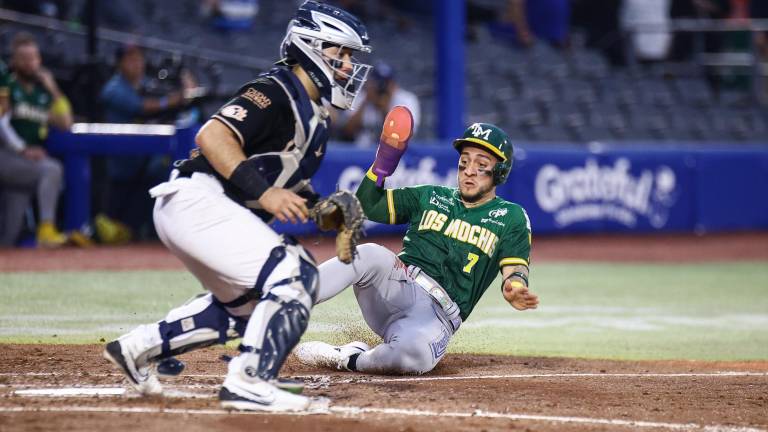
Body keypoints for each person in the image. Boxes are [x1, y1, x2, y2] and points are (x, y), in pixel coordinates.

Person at [102, 0, 372, 411]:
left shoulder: (315, 120)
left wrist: (325, 212)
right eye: (342, 54)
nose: (349, 66)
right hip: (195, 200)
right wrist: (266, 195)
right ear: (314, 47)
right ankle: (250, 380)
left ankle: (139, 347)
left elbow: (289, 188)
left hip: (203, 209)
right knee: (296, 272)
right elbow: (211, 137)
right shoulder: (275, 90)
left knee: (249, 310)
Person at [295, 114, 539, 375]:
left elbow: (514, 270)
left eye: (481, 164)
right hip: (399, 284)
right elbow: (368, 205)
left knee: (410, 359)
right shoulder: (431, 196)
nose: (469, 170)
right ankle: (291, 299)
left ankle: (349, 358)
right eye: (464, 161)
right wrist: (384, 160)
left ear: (500, 171)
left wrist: (514, 286)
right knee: (369, 254)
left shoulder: (511, 216)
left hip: (438, 317)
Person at [98, 44, 188, 241]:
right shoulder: (113, 88)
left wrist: (183, 86)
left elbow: (176, 98)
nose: (136, 64)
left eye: (138, 59)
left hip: (147, 162)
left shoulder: (148, 84)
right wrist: (170, 101)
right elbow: (141, 107)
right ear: (120, 63)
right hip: (122, 162)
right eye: (130, 59)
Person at [0, 33, 72, 247]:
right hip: (7, 155)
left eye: (34, 58)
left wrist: (54, 89)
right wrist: (22, 149)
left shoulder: (42, 94)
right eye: (25, 59)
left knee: (9, 233)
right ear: (15, 62)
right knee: (52, 170)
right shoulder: (8, 85)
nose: (31, 64)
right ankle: (47, 230)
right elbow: (1, 122)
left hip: (24, 165)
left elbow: (65, 122)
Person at [337, 60, 420, 147]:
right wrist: (366, 101)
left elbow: (402, 136)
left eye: (386, 83)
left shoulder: (406, 99)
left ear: (393, 83)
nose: (381, 87)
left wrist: (384, 108)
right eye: (378, 82)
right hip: (361, 152)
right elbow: (347, 131)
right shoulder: (361, 97)